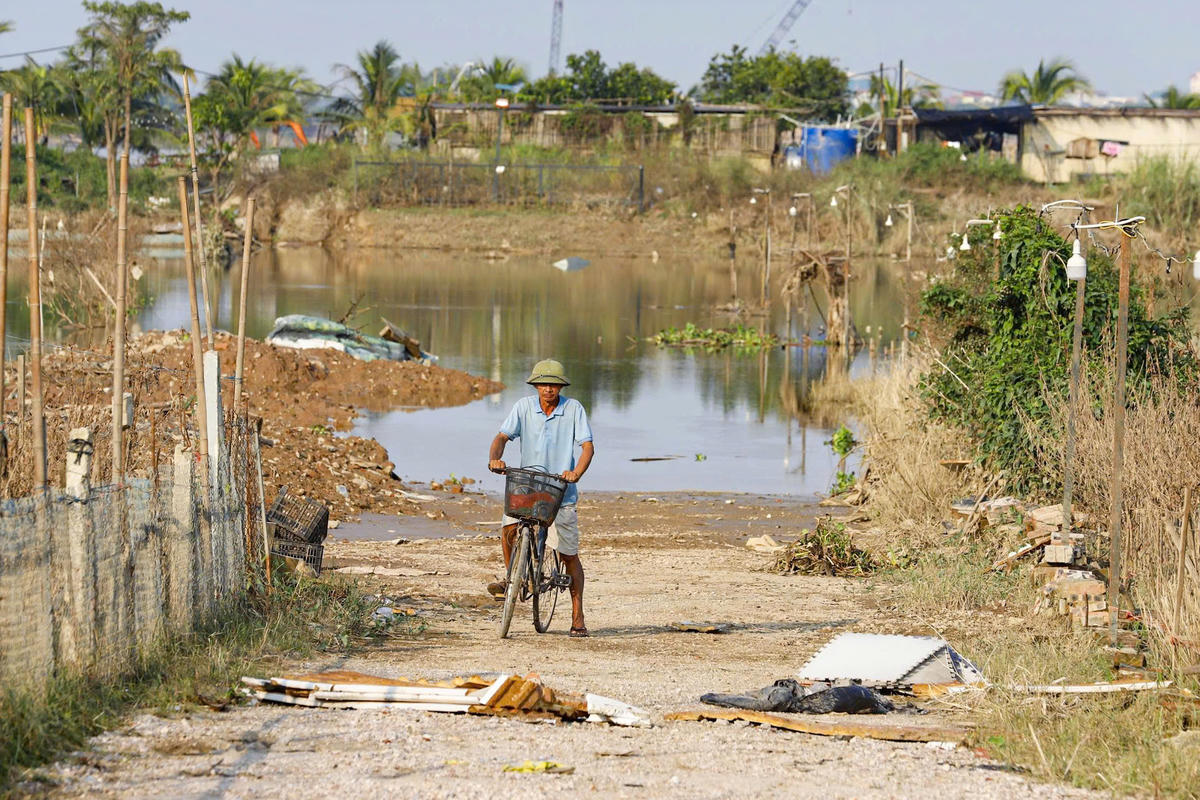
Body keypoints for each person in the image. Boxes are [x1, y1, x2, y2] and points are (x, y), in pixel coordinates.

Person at [488, 359, 594, 637]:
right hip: (528, 484)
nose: (548, 389)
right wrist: (495, 458)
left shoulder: (573, 409)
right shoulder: (523, 407)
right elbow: (502, 436)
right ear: (535, 386)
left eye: (554, 385)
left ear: (561, 387)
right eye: (544, 384)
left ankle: (577, 614)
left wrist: (576, 473)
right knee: (508, 527)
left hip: (561, 490)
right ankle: (514, 576)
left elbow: (587, 447)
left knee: (569, 555)